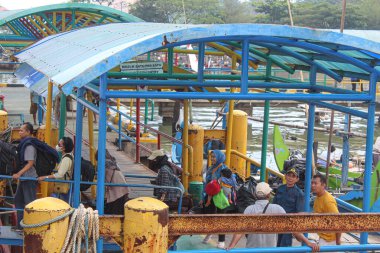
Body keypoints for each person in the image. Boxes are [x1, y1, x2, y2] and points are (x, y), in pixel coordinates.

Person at [227, 182, 319, 251]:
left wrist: (231, 246)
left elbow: (240, 231)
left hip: (252, 250)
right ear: (268, 195)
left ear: (255, 195)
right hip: (270, 250)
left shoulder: (249, 209)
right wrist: (308, 242)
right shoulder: (277, 209)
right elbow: (292, 228)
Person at [201, 150, 229, 249]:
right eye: (211, 157)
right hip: (209, 196)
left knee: (221, 218)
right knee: (209, 216)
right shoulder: (211, 168)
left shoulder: (224, 169)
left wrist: (219, 181)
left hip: (220, 196)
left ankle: (221, 240)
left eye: (214, 157)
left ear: (220, 157)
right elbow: (206, 183)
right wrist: (203, 197)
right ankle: (210, 233)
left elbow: (230, 182)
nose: (212, 158)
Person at [13, 122, 38, 228]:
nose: (19, 132)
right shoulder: (24, 143)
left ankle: (29, 227)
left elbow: (30, 163)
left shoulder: (29, 146)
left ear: (28, 132)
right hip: (24, 178)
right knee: (18, 200)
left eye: (21, 130)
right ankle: (20, 226)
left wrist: (18, 173)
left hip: (29, 178)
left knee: (29, 204)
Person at [273, 168, 305, 247]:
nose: (290, 178)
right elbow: (274, 204)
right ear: (285, 176)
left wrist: (297, 229)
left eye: (293, 176)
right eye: (289, 175)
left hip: (289, 224)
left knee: (285, 246)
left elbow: (300, 213)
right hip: (277, 222)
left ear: (297, 179)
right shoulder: (280, 189)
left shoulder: (299, 194)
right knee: (275, 245)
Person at [38, 137, 74, 203]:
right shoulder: (68, 156)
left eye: (59, 145)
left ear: (64, 148)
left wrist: (45, 177)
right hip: (64, 185)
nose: (57, 146)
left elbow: (60, 174)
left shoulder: (66, 159)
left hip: (64, 186)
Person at [312, 174, 341, 246]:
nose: (313, 185)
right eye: (312, 183)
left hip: (329, 240)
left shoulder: (328, 201)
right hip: (323, 236)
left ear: (323, 185)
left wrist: (338, 240)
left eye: (315, 183)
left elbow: (338, 220)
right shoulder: (318, 197)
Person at [99, 150, 130, 214]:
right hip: (123, 186)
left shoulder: (104, 164)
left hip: (116, 189)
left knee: (114, 209)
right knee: (120, 208)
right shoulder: (113, 162)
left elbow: (103, 178)